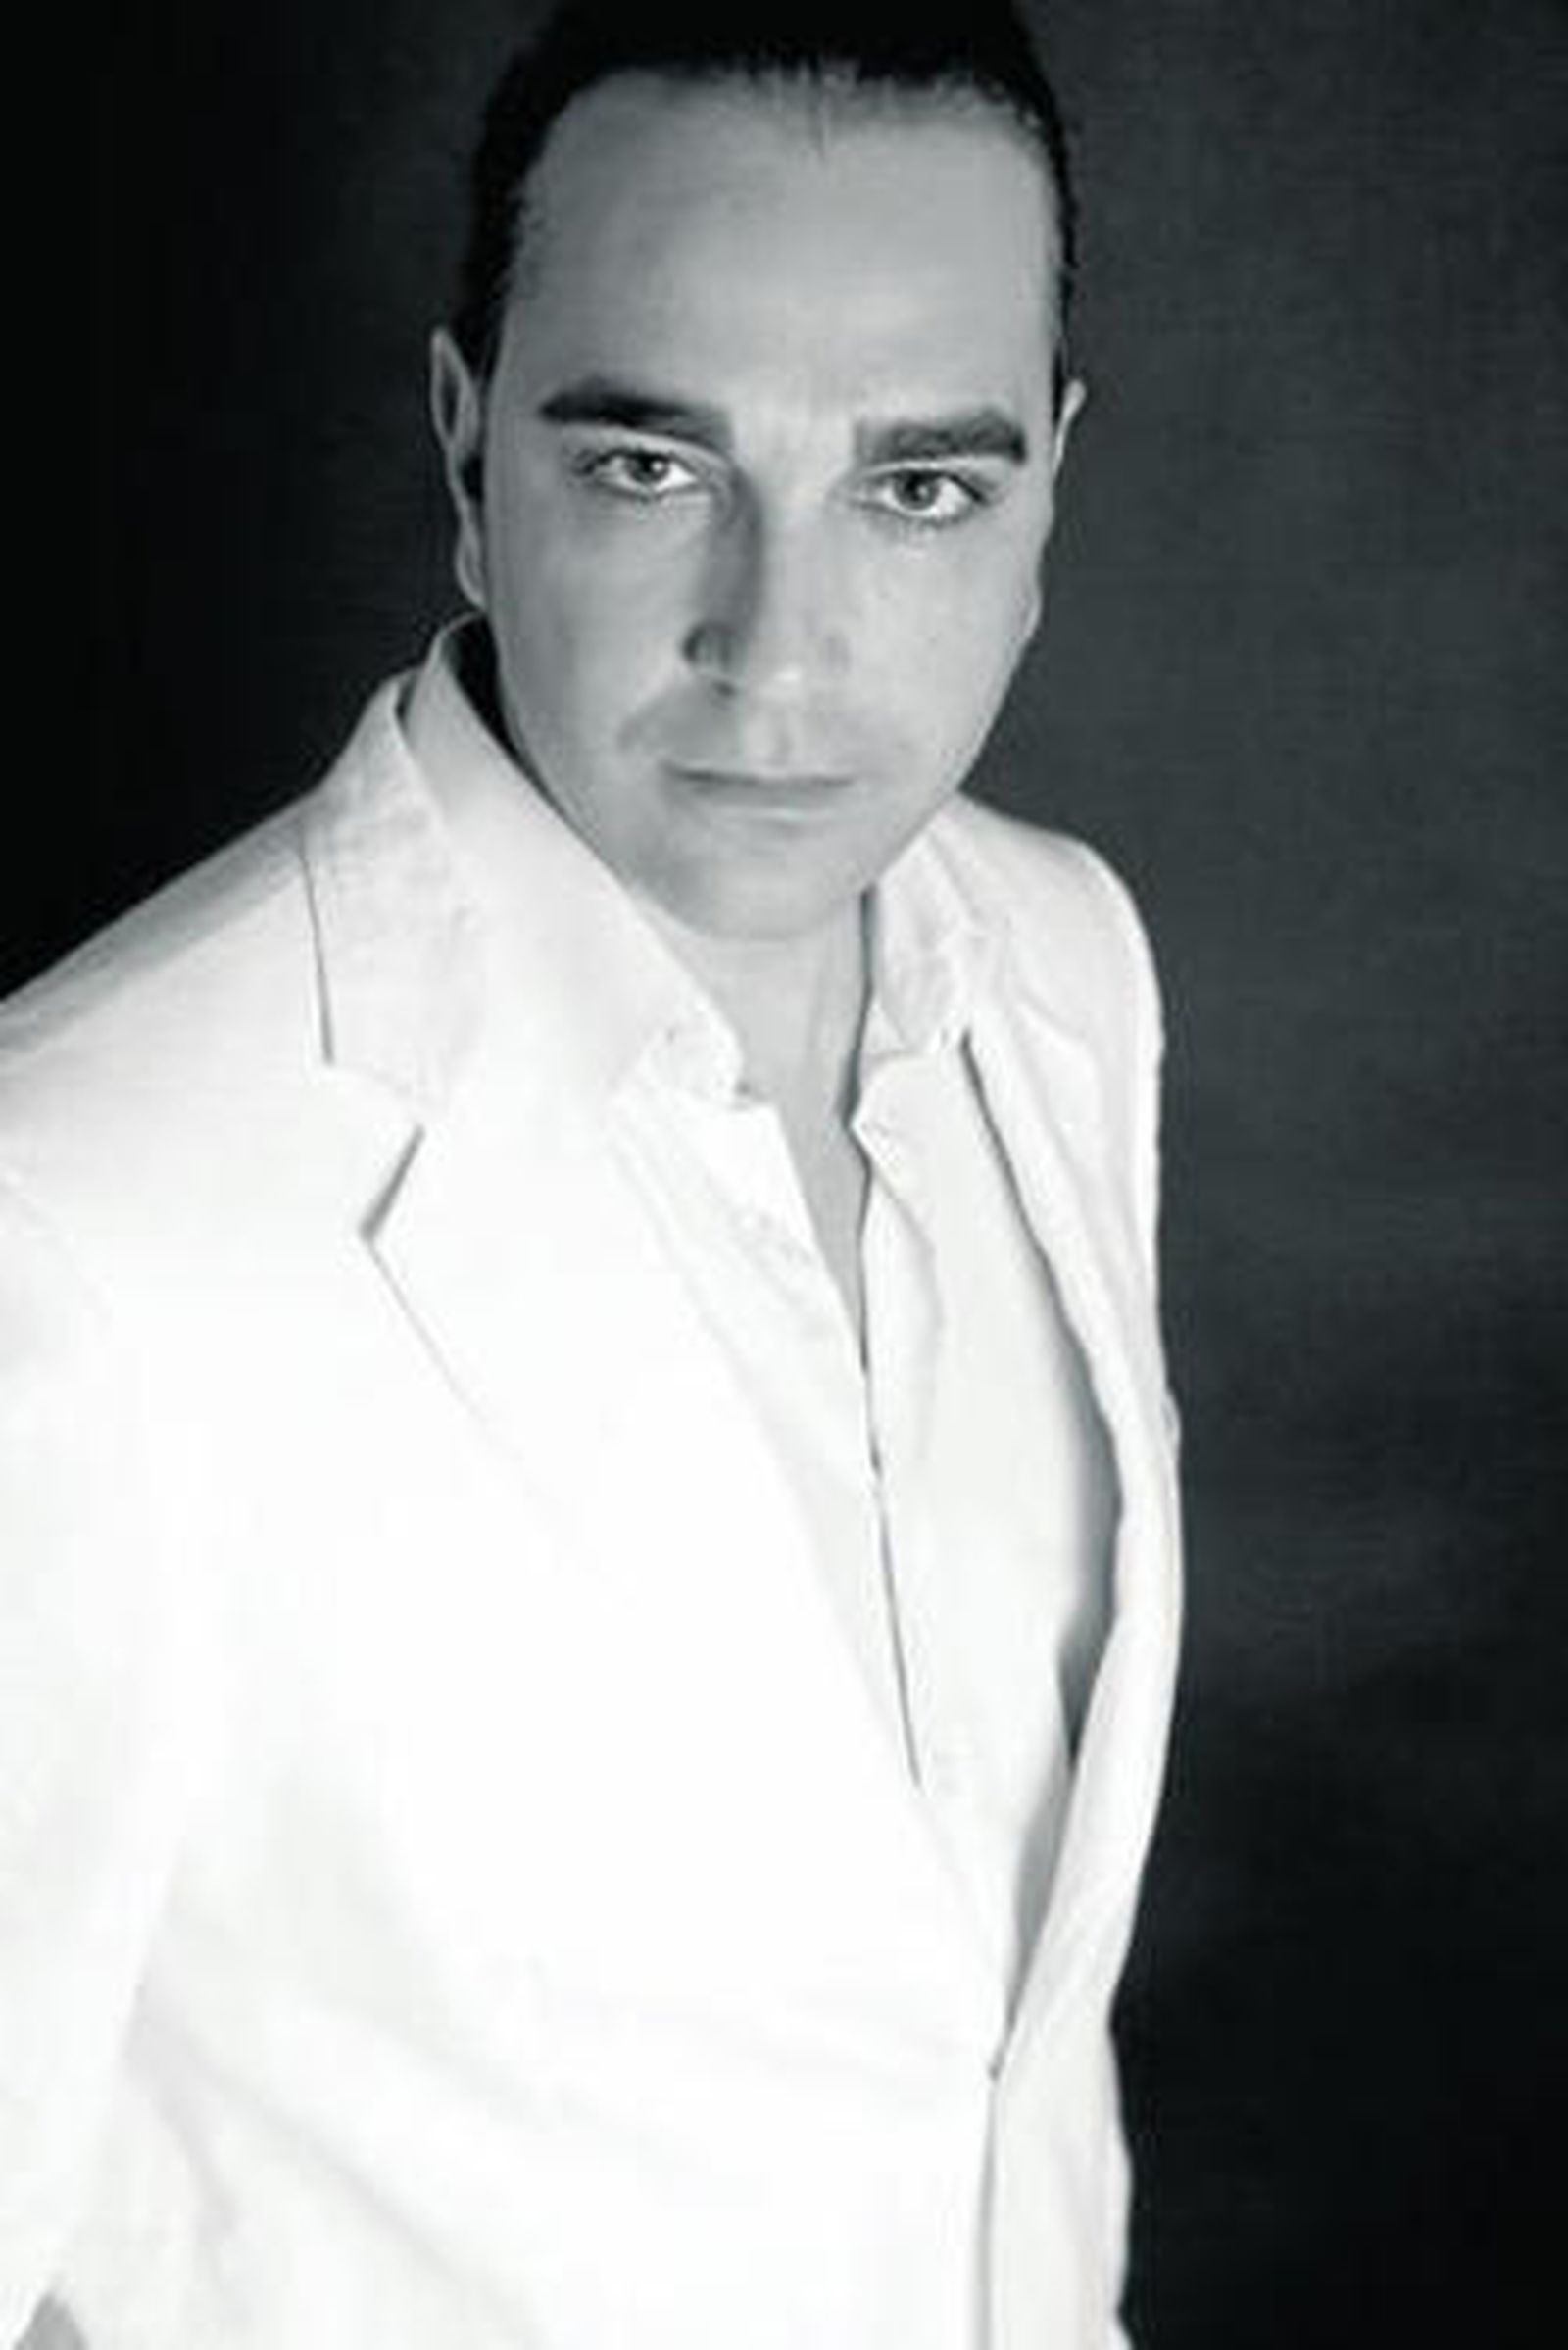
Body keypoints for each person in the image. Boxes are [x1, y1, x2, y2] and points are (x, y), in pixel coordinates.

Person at [0, 2, 1182, 2343]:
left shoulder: (1066, 963)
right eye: (651, 465)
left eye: (915, 489)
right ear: (467, 454)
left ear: (1047, 486)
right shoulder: (72, 1220)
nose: (778, 652)